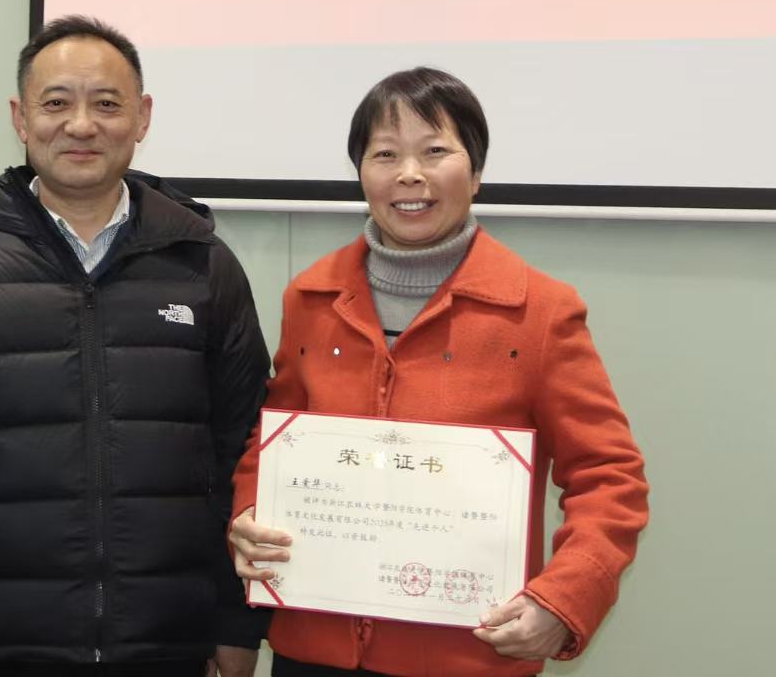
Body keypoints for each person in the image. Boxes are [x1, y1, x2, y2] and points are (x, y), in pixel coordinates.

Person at [0, 15, 270, 677]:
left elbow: (246, 454)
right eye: (56, 104)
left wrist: (237, 628)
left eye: (106, 104)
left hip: (168, 648)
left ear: (142, 117)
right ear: (21, 119)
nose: (81, 126)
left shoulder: (204, 270)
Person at [227, 68, 649, 677]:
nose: (409, 174)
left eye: (434, 151)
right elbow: (274, 440)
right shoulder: (311, 298)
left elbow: (610, 477)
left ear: (475, 173)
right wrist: (249, 512)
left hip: (467, 654)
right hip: (312, 646)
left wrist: (564, 599)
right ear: (361, 172)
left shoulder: (540, 311)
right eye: (385, 154)